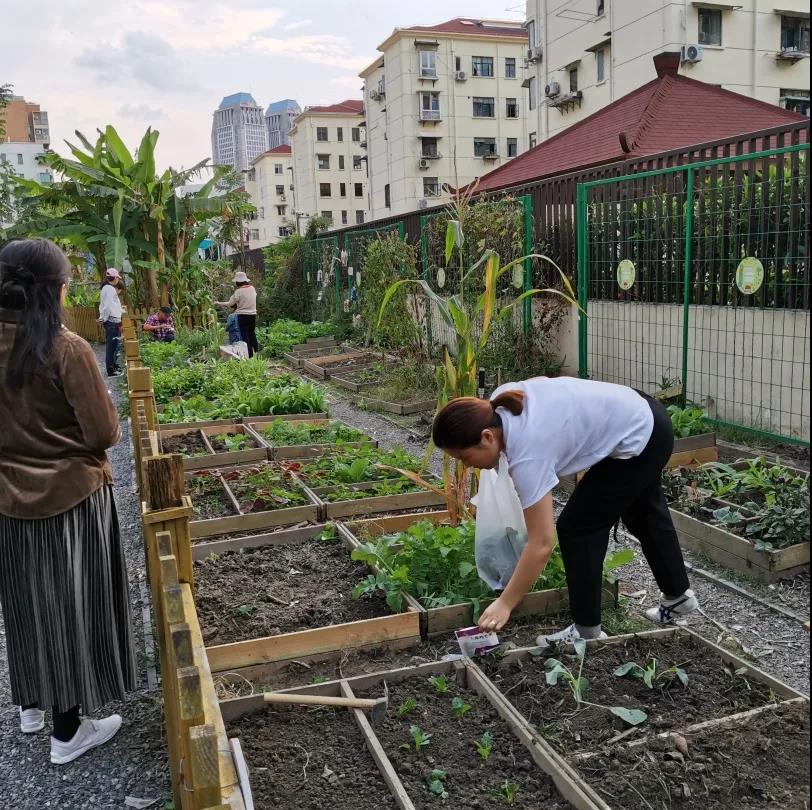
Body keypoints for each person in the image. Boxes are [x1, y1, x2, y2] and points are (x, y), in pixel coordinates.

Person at [432, 377, 698, 646]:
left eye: (464, 458)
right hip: (641, 413)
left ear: (487, 437)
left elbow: (542, 543)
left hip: (641, 431)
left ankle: (586, 632)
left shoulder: (528, 455)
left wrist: (505, 603)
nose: (467, 466)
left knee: (578, 528)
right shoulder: (499, 404)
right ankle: (678, 597)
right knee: (642, 511)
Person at [0, 238, 136, 764]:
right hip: (69, 501)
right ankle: (68, 731)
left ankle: (31, 707)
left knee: (26, 602)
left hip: (10, 502)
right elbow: (102, 432)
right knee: (71, 603)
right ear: (54, 290)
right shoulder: (65, 349)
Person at [216, 270, 258, 357]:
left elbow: (230, 304)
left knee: (244, 335)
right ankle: (256, 352)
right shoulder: (252, 288)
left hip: (242, 316)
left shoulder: (238, 292)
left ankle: (249, 355)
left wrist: (218, 303)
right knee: (252, 333)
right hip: (253, 315)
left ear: (237, 282)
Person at [98, 267, 123, 376]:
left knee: (114, 345)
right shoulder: (109, 289)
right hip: (112, 321)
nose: (118, 280)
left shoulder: (106, 288)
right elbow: (107, 307)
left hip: (112, 320)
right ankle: (111, 370)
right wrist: (104, 318)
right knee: (112, 346)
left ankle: (114, 366)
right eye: (117, 277)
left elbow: (106, 306)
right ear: (115, 278)